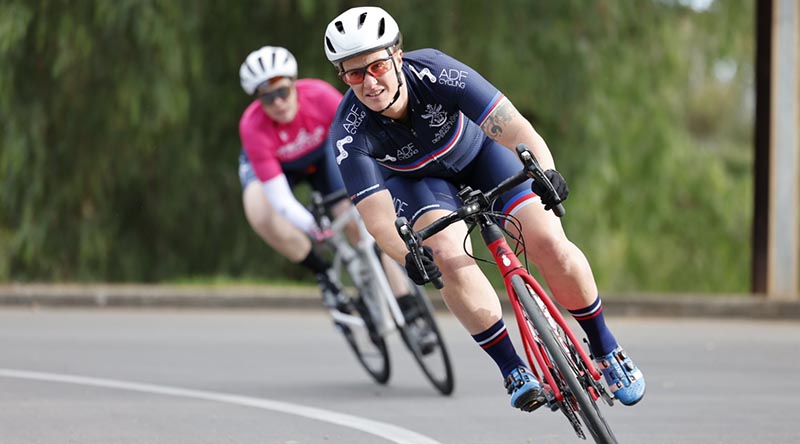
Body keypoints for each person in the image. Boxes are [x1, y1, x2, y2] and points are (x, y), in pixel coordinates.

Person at [323, 6, 645, 411]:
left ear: (397, 57)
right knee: (446, 257)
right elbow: (377, 217)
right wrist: (409, 255)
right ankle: (513, 368)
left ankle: (606, 347)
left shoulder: (437, 71)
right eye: (354, 74)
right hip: (421, 185)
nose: (369, 82)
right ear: (343, 77)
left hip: (480, 156)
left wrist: (545, 170)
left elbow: (515, 128)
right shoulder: (348, 133)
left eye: (377, 66)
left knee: (546, 240)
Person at [238, 45, 415, 315]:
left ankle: (403, 297)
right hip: (277, 168)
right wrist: (311, 226)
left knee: (356, 215)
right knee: (259, 211)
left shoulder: (320, 95)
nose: (278, 103)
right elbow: (280, 198)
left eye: (283, 92)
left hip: (322, 156)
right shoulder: (253, 125)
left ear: (294, 85)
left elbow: (360, 137)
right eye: (268, 98)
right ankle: (323, 274)